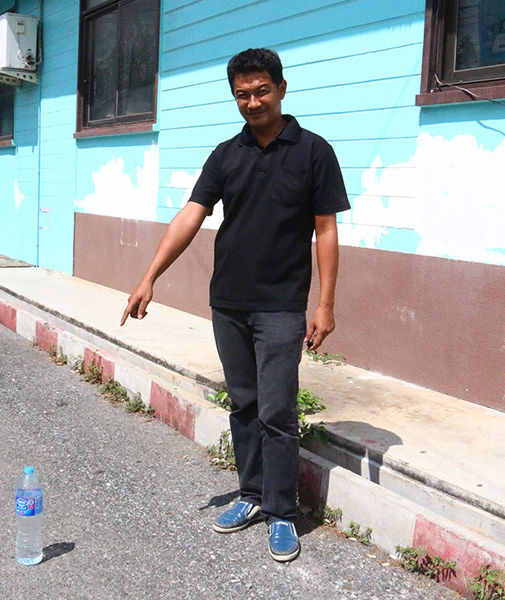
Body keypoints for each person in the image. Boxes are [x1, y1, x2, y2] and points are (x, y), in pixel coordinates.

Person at [120, 48, 350, 562]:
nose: (253, 102)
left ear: (282, 88)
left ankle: (283, 512)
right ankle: (251, 495)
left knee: (277, 409)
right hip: (228, 304)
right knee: (244, 405)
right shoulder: (226, 155)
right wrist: (149, 277)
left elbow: (327, 229)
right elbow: (190, 215)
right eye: (242, 94)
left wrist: (325, 303)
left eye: (261, 91)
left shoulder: (314, 151)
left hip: (281, 306)